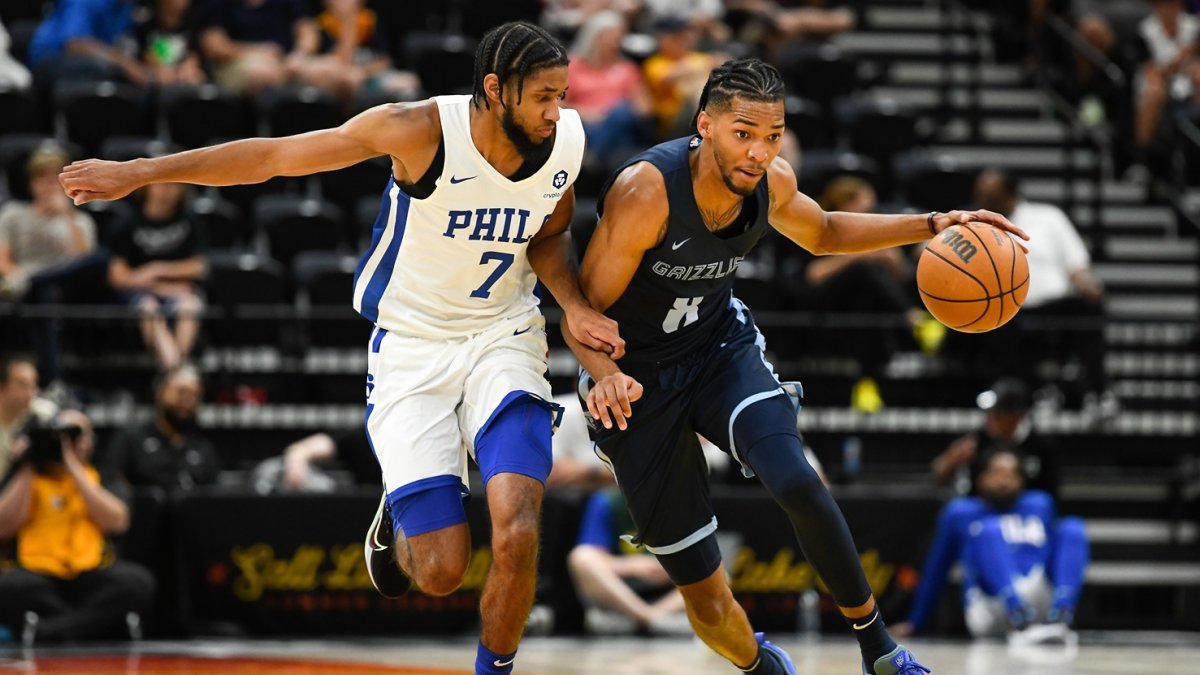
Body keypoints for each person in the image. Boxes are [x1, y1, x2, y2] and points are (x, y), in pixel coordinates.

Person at [60, 21, 620, 675]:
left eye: (563, 94)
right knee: (439, 572)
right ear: (495, 89)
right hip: (412, 345)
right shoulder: (416, 130)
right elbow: (273, 157)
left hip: (505, 332)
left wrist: (575, 304)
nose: (558, 112)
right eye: (543, 96)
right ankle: (397, 506)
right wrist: (141, 172)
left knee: (519, 522)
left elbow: (549, 234)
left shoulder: (565, 141)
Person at [564, 58, 1027, 675]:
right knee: (707, 603)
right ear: (705, 125)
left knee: (797, 479)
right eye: (743, 133)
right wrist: (604, 373)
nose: (759, 152)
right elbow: (584, 310)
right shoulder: (647, 192)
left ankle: (879, 650)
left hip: (715, 349)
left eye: (773, 136)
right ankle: (762, 664)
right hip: (634, 379)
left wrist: (934, 224)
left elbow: (826, 231)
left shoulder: (770, 181)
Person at [893, 450, 1089, 645]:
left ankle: (1062, 613)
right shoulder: (960, 512)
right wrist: (915, 623)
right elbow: (936, 569)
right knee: (988, 529)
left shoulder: (1040, 504)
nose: (1004, 481)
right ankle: (1017, 613)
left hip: (1037, 596)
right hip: (989, 604)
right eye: (997, 474)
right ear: (981, 478)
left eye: (1011, 474)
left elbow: (1061, 554)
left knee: (1072, 527)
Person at [973, 167, 1116, 422]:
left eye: (990, 196)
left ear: (1011, 194)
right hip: (1008, 309)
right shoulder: (972, 224)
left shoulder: (1048, 217)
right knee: (997, 323)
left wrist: (1086, 282)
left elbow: (1077, 264)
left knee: (1090, 307)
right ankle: (1038, 392)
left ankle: (1098, 393)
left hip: (1056, 305)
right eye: (981, 195)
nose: (984, 201)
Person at [0, 410, 156, 644]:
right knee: (9, 586)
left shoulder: (103, 475)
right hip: (39, 575)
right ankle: (87, 626)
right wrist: (28, 463)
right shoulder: (27, 477)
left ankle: (54, 629)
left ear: (91, 440)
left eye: (77, 435)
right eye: (62, 436)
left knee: (137, 582)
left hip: (91, 573)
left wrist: (73, 467)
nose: (71, 443)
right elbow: (3, 527)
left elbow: (118, 521)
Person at [107, 181, 207, 371]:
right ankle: (176, 372)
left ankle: (173, 371)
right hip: (139, 295)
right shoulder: (128, 223)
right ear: (148, 187)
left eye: (174, 185)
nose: (167, 191)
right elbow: (118, 277)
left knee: (190, 305)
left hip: (177, 293)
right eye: (161, 184)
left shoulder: (189, 221)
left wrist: (156, 269)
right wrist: (161, 287)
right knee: (149, 307)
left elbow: (198, 267)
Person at [568, 486, 692, 636]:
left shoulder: (676, 503)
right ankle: (647, 618)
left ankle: (654, 616)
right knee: (581, 557)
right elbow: (594, 554)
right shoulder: (607, 501)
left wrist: (665, 566)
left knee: (716, 571)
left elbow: (691, 555)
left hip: (664, 589)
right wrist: (631, 566)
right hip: (621, 590)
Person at [931, 378, 1062, 500]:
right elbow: (939, 474)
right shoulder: (977, 440)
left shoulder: (1041, 446)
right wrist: (952, 460)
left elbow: (1050, 493)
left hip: (1024, 514)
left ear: (1018, 415)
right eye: (989, 413)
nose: (991, 418)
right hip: (984, 511)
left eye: (998, 414)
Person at [100, 363, 218, 493]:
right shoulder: (131, 439)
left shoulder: (203, 447)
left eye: (195, 395)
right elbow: (111, 481)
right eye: (181, 392)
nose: (188, 400)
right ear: (160, 391)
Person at [26, 0, 146, 86]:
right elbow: (74, 45)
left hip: (99, 60)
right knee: (102, 69)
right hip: (50, 58)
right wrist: (124, 63)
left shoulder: (128, 6)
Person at [0, 355, 56, 479]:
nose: (29, 392)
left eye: (33, 384)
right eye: (22, 384)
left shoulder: (41, 413)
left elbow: (76, 421)